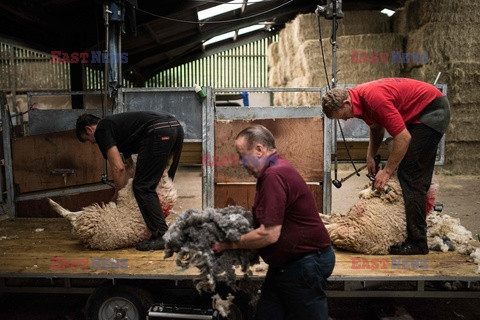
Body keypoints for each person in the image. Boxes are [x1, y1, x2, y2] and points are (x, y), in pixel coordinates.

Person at [212, 125, 334, 320]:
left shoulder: (274, 175)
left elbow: (269, 234)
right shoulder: (274, 169)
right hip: (286, 266)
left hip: (305, 264)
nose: (241, 162)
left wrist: (229, 244)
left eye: (242, 155)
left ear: (259, 149)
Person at [321, 78, 451, 255]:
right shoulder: (359, 100)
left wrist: (387, 172)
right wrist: (370, 155)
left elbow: (403, 138)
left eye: (343, 115)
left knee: (409, 173)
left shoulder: (374, 99)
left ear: (346, 102)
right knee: (413, 171)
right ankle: (411, 230)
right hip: (421, 111)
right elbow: (376, 128)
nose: (345, 120)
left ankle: (417, 243)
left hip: (432, 111)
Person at [75, 111, 184, 251]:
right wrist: (126, 188)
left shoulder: (102, 129)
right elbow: (129, 168)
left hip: (158, 131)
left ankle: (162, 236)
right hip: (175, 127)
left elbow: (118, 168)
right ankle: (158, 229)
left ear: (89, 129)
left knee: (142, 187)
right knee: (155, 182)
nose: (93, 143)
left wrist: (119, 195)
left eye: (88, 139)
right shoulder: (119, 130)